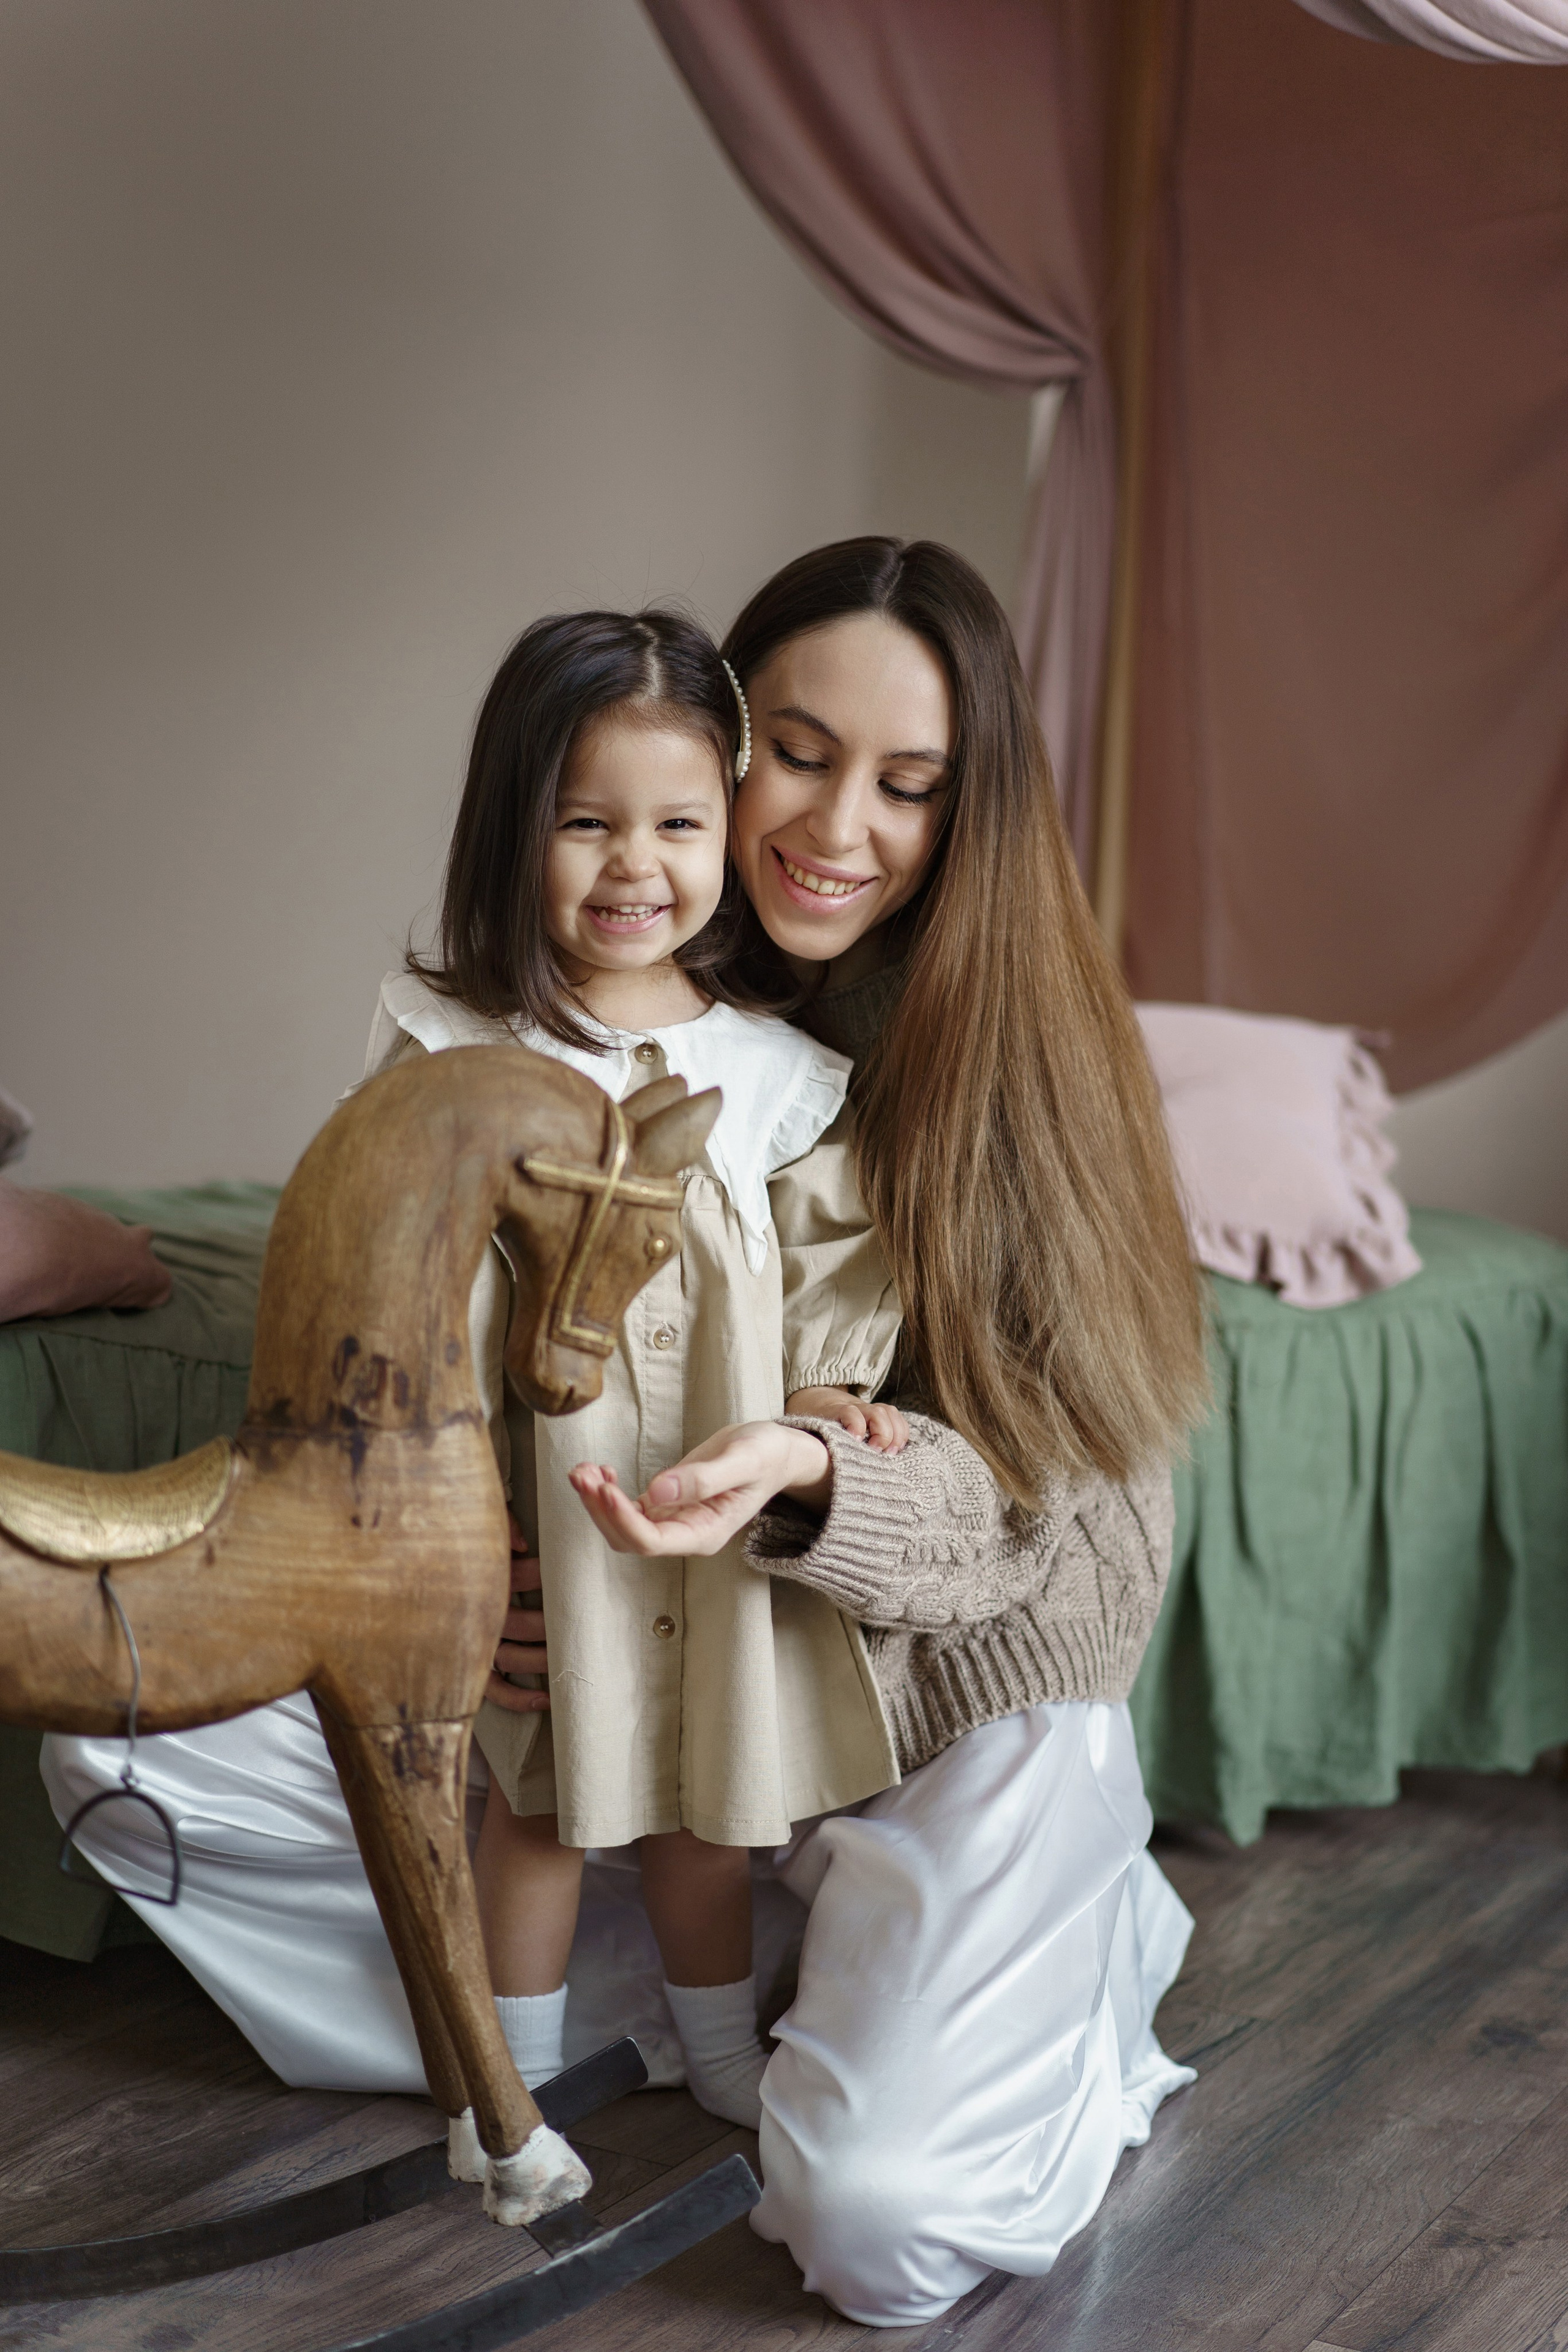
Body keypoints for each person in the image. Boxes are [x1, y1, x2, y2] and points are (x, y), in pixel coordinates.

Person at [43, 537, 1207, 2328]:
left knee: (877, 2227)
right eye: (798, 755)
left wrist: (821, 1477)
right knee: (125, 1754)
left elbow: (1081, 1528)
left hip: (943, 1699)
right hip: (612, 1645)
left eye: (910, 788)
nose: (834, 828)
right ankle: (649, 1993)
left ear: (970, 814)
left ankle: (996, 1954)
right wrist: (478, 1574)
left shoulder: (1008, 1080)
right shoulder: (571, 985)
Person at [364, 605, 912, 2136]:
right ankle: (509, 2081)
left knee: (705, 1811)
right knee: (535, 1801)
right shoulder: (450, 1045)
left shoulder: (771, 1072)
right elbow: (387, 1276)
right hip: (538, 1510)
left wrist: (823, 1403)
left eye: (676, 823)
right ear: (511, 829)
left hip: (709, 1507)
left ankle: (719, 2048)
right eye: (584, 823)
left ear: (724, 830)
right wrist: (444, 1537)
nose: (633, 866)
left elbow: (831, 1271)